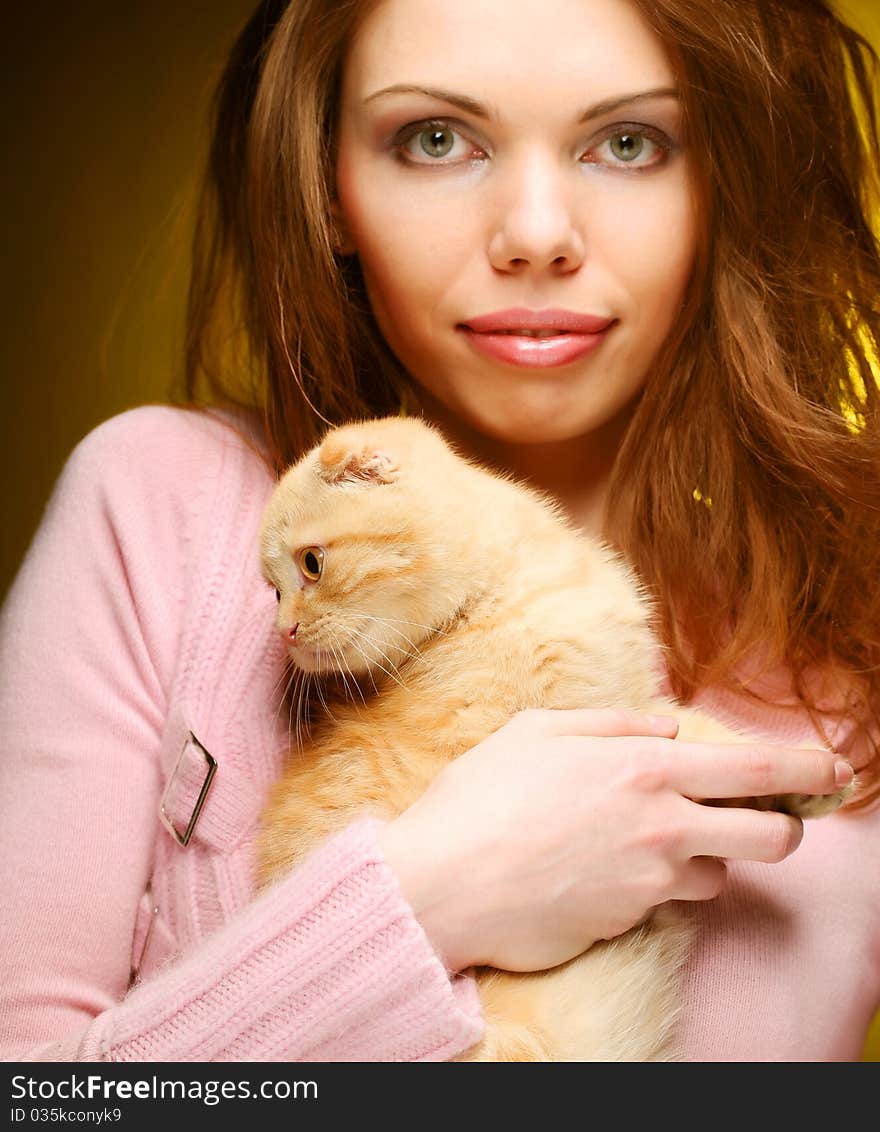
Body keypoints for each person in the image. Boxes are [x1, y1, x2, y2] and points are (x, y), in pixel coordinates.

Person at [1, 0, 878, 1063]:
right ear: (329, 187)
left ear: (721, 184)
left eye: (629, 141)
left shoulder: (852, 629)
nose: (537, 237)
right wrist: (429, 897)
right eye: (435, 138)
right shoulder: (161, 508)